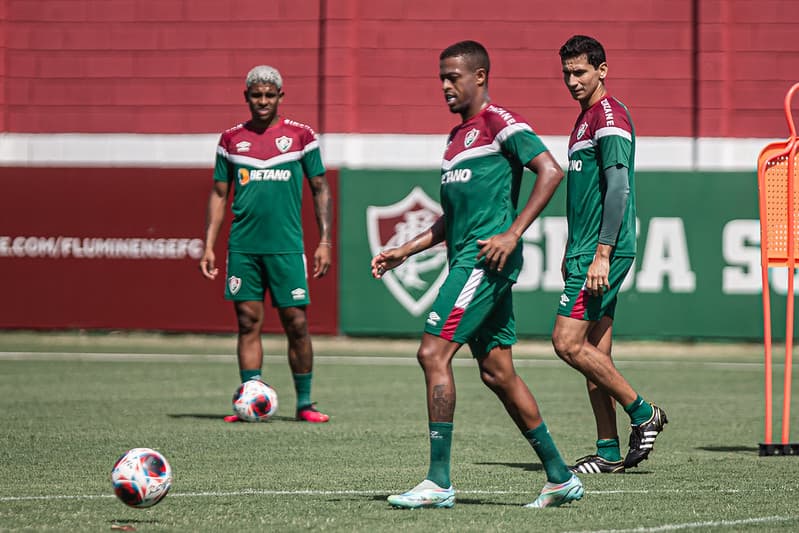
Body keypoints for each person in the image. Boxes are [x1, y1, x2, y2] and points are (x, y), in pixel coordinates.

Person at [371, 40, 583, 509]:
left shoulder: (499, 123)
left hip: (483, 264)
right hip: (465, 257)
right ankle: (560, 477)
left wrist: (512, 232)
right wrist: (405, 249)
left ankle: (439, 482)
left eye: (454, 77)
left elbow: (550, 170)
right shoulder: (453, 140)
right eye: (441, 78)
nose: (446, 85)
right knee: (497, 371)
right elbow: (452, 219)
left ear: (480, 76)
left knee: (432, 353)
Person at [554, 35, 667, 473]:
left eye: (580, 71)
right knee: (593, 352)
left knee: (566, 342)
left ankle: (643, 413)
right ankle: (606, 450)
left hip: (604, 250)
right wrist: (572, 248)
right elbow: (586, 196)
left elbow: (618, 189)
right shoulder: (584, 120)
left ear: (602, 70)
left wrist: (601, 254)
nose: (571, 80)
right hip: (585, 249)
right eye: (566, 73)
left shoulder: (608, 116)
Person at [200, 65, 332, 424]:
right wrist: (209, 244)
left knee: (296, 323)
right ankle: (250, 399)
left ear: (280, 97)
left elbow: (320, 188)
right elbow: (219, 193)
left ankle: (305, 404)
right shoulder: (230, 140)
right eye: (256, 95)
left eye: (269, 95)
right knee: (247, 322)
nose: (262, 101)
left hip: (287, 247)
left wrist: (324, 241)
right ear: (246, 97)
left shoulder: (302, 136)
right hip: (244, 247)